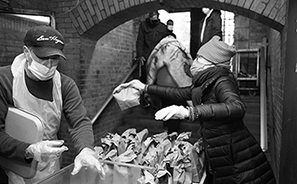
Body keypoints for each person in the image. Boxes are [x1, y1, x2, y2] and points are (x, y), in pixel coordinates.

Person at [114, 36, 275, 184]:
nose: (194, 62)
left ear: (211, 63)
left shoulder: (222, 81)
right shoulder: (204, 83)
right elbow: (177, 92)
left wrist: (189, 112)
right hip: (222, 152)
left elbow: (237, 107)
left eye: (199, 58)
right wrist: (145, 87)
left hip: (237, 158)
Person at [0, 25, 105, 184]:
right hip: (13, 161)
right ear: (27, 53)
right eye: (42, 58)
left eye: (54, 59)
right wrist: (29, 150)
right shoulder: (5, 80)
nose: (49, 65)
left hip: (49, 164)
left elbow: (79, 122)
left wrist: (86, 150)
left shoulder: (65, 85)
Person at [136, 11, 168, 83]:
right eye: (152, 19)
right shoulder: (143, 25)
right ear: (149, 17)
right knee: (145, 77)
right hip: (146, 56)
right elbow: (140, 41)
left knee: (157, 77)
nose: (153, 21)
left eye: (155, 19)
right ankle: (145, 91)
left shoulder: (162, 27)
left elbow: (165, 43)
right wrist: (140, 55)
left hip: (158, 56)